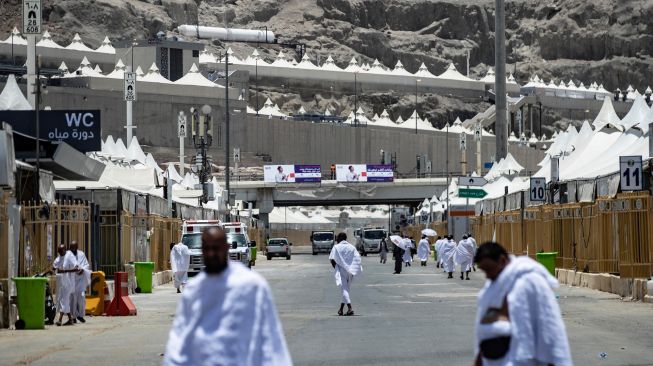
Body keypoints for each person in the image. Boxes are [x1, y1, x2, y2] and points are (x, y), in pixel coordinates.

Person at [164, 228, 292, 365]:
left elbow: (271, 337)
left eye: (216, 248)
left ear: (226, 248)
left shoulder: (251, 285)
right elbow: (179, 340)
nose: (211, 253)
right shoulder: (194, 290)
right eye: (207, 249)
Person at [474, 242, 571, 366]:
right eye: (484, 271)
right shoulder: (491, 289)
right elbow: (482, 341)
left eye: (489, 269)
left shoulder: (532, 283)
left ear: (502, 260)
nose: (487, 275)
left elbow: (550, 329)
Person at [329, 233, 362, 316]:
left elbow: (332, 259)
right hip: (351, 271)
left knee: (344, 289)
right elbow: (357, 258)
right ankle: (341, 309)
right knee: (346, 289)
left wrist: (336, 268)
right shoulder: (352, 247)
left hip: (341, 270)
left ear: (340, 238)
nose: (336, 240)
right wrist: (355, 269)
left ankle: (350, 308)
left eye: (337, 238)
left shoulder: (336, 247)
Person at [52, 244, 77, 326]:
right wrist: (52, 270)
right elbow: (54, 268)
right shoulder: (58, 259)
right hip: (62, 283)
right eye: (59, 252)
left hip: (69, 282)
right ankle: (70, 319)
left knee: (64, 300)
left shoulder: (69, 256)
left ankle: (60, 319)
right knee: (63, 300)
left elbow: (76, 268)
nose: (60, 253)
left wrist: (65, 271)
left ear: (65, 250)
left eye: (61, 251)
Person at [69, 241, 91, 323]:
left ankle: (81, 315)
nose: (72, 249)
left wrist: (83, 270)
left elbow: (86, 264)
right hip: (72, 279)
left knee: (81, 297)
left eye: (74, 247)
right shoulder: (68, 255)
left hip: (80, 279)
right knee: (73, 299)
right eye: (71, 248)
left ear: (77, 247)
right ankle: (74, 316)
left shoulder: (81, 254)